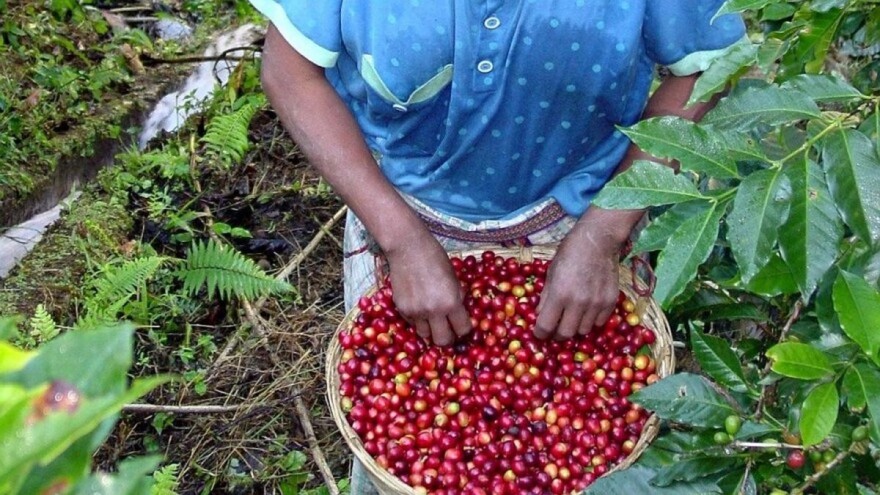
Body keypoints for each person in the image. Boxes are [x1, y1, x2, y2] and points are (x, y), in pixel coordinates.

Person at [250, 1, 745, 492]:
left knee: (600, 442)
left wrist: (604, 233)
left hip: (583, 217)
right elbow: (289, 68)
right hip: (399, 213)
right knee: (397, 446)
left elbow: (710, 69)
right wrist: (400, 241)